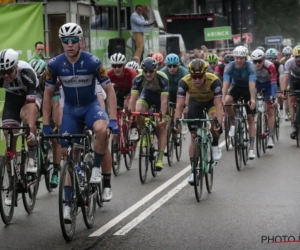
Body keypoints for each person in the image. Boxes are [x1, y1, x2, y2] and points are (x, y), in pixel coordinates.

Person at [43, 23, 118, 222]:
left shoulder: (93, 61)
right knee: (69, 156)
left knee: (102, 131)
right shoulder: (54, 65)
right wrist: (45, 123)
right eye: (65, 41)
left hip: (90, 107)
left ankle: (96, 169)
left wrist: (112, 119)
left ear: (80, 42)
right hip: (70, 112)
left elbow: (109, 90)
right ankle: (67, 204)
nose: (69, 45)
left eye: (73, 41)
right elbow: (48, 94)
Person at [0, 48, 42, 205]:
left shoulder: (26, 73)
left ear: (16, 66)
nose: (6, 75)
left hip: (31, 98)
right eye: (2, 72)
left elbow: (31, 107)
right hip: (12, 100)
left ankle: (32, 158)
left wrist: (30, 129)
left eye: (9, 71)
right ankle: (11, 184)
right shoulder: (1, 75)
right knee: (9, 134)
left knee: (26, 118)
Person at [174, 59, 223, 185]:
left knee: (213, 120)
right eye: (194, 77)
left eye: (200, 77)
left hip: (211, 102)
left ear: (205, 75)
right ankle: (193, 171)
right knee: (194, 136)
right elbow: (179, 105)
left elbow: (218, 106)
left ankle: (215, 145)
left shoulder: (214, 81)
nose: (196, 80)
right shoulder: (184, 82)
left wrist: (219, 124)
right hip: (195, 103)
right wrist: (177, 122)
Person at [128, 57, 169, 171]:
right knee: (138, 108)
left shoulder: (163, 78)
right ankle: (144, 131)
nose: (148, 74)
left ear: (155, 70)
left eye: (151, 71)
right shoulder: (138, 79)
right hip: (147, 96)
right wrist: (131, 114)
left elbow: (164, 100)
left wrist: (162, 115)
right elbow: (133, 98)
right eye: (145, 71)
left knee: (161, 127)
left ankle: (160, 158)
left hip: (160, 99)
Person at [29, 59, 62, 187]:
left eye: (39, 77)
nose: (36, 79)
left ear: (44, 75)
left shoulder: (52, 81)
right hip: (38, 104)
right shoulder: (31, 81)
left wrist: (54, 123)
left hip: (51, 104)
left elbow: (56, 104)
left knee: (55, 138)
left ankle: (55, 171)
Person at [223, 46, 257, 159]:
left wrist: (252, 99)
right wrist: (223, 99)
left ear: (245, 58)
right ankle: (233, 123)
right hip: (236, 88)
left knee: (251, 118)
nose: (238, 60)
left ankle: (251, 148)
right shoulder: (229, 67)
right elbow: (226, 84)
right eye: (236, 58)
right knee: (227, 101)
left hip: (247, 89)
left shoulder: (250, 67)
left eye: (241, 58)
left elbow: (252, 85)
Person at [251, 49, 277, 148]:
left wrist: (273, 96)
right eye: (255, 61)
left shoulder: (270, 66)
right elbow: (249, 83)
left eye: (259, 61)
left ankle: (270, 138)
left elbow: (274, 82)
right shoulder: (250, 66)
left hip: (268, 85)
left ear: (263, 59)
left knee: (270, 111)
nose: (257, 64)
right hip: (257, 84)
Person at [281, 45, 300, 140]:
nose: (298, 59)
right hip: (294, 79)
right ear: (293, 56)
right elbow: (285, 78)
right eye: (296, 57)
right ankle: (293, 126)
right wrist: (284, 91)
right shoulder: (289, 62)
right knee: (292, 102)